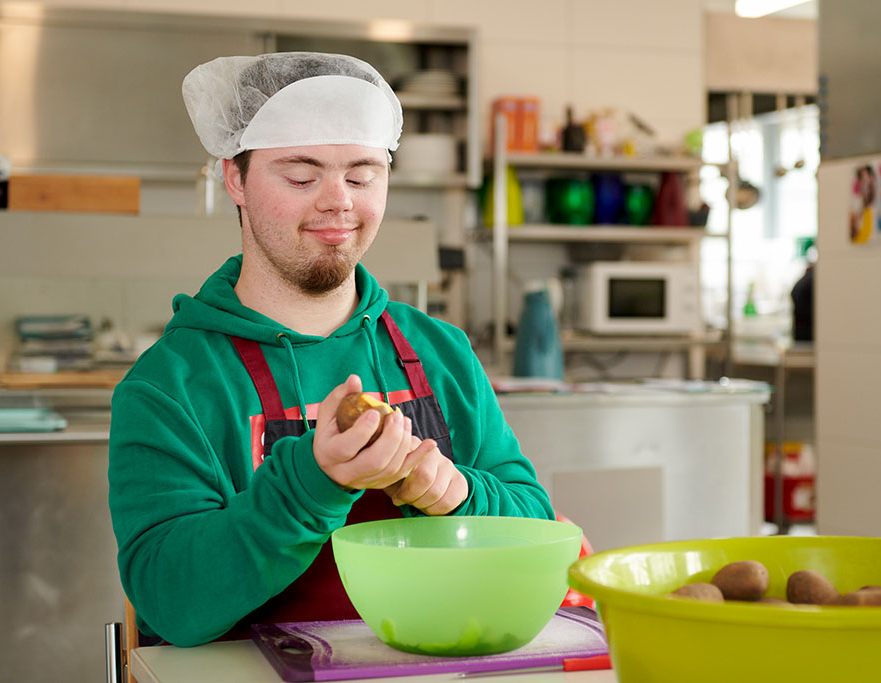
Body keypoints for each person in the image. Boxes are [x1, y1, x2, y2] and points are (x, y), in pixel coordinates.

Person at [108, 52, 554, 648]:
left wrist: (458, 494)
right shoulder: (171, 385)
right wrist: (310, 483)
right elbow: (170, 603)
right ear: (235, 178)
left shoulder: (439, 351)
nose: (338, 201)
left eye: (363, 174)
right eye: (301, 176)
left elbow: (536, 529)